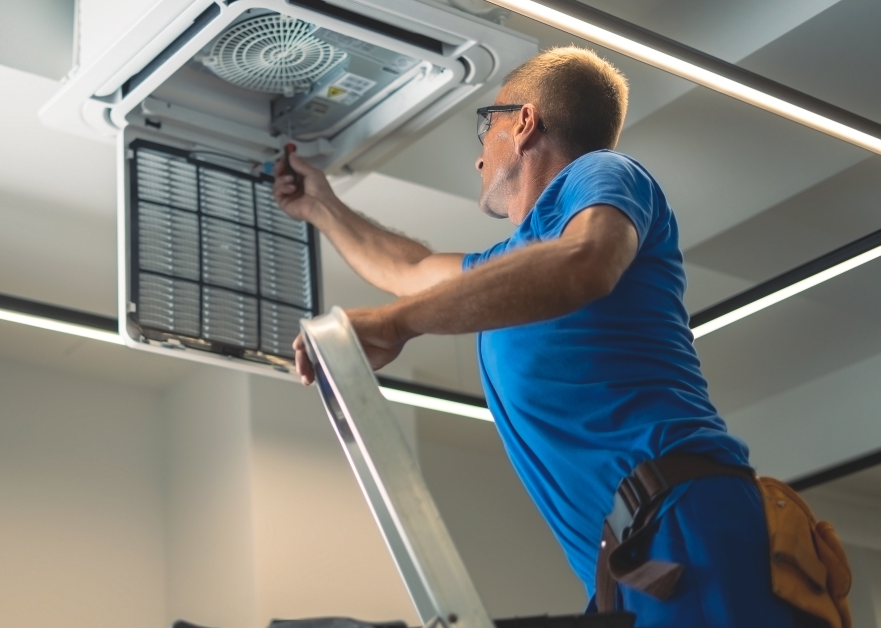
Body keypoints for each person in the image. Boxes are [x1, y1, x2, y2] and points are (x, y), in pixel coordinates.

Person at [273, 46, 808, 627]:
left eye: (487, 127)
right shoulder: (513, 266)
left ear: (524, 122)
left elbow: (586, 262)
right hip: (629, 560)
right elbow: (410, 272)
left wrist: (398, 321)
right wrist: (322, 207)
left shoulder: (604, 172)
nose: (479, 157)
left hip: (681, 520)